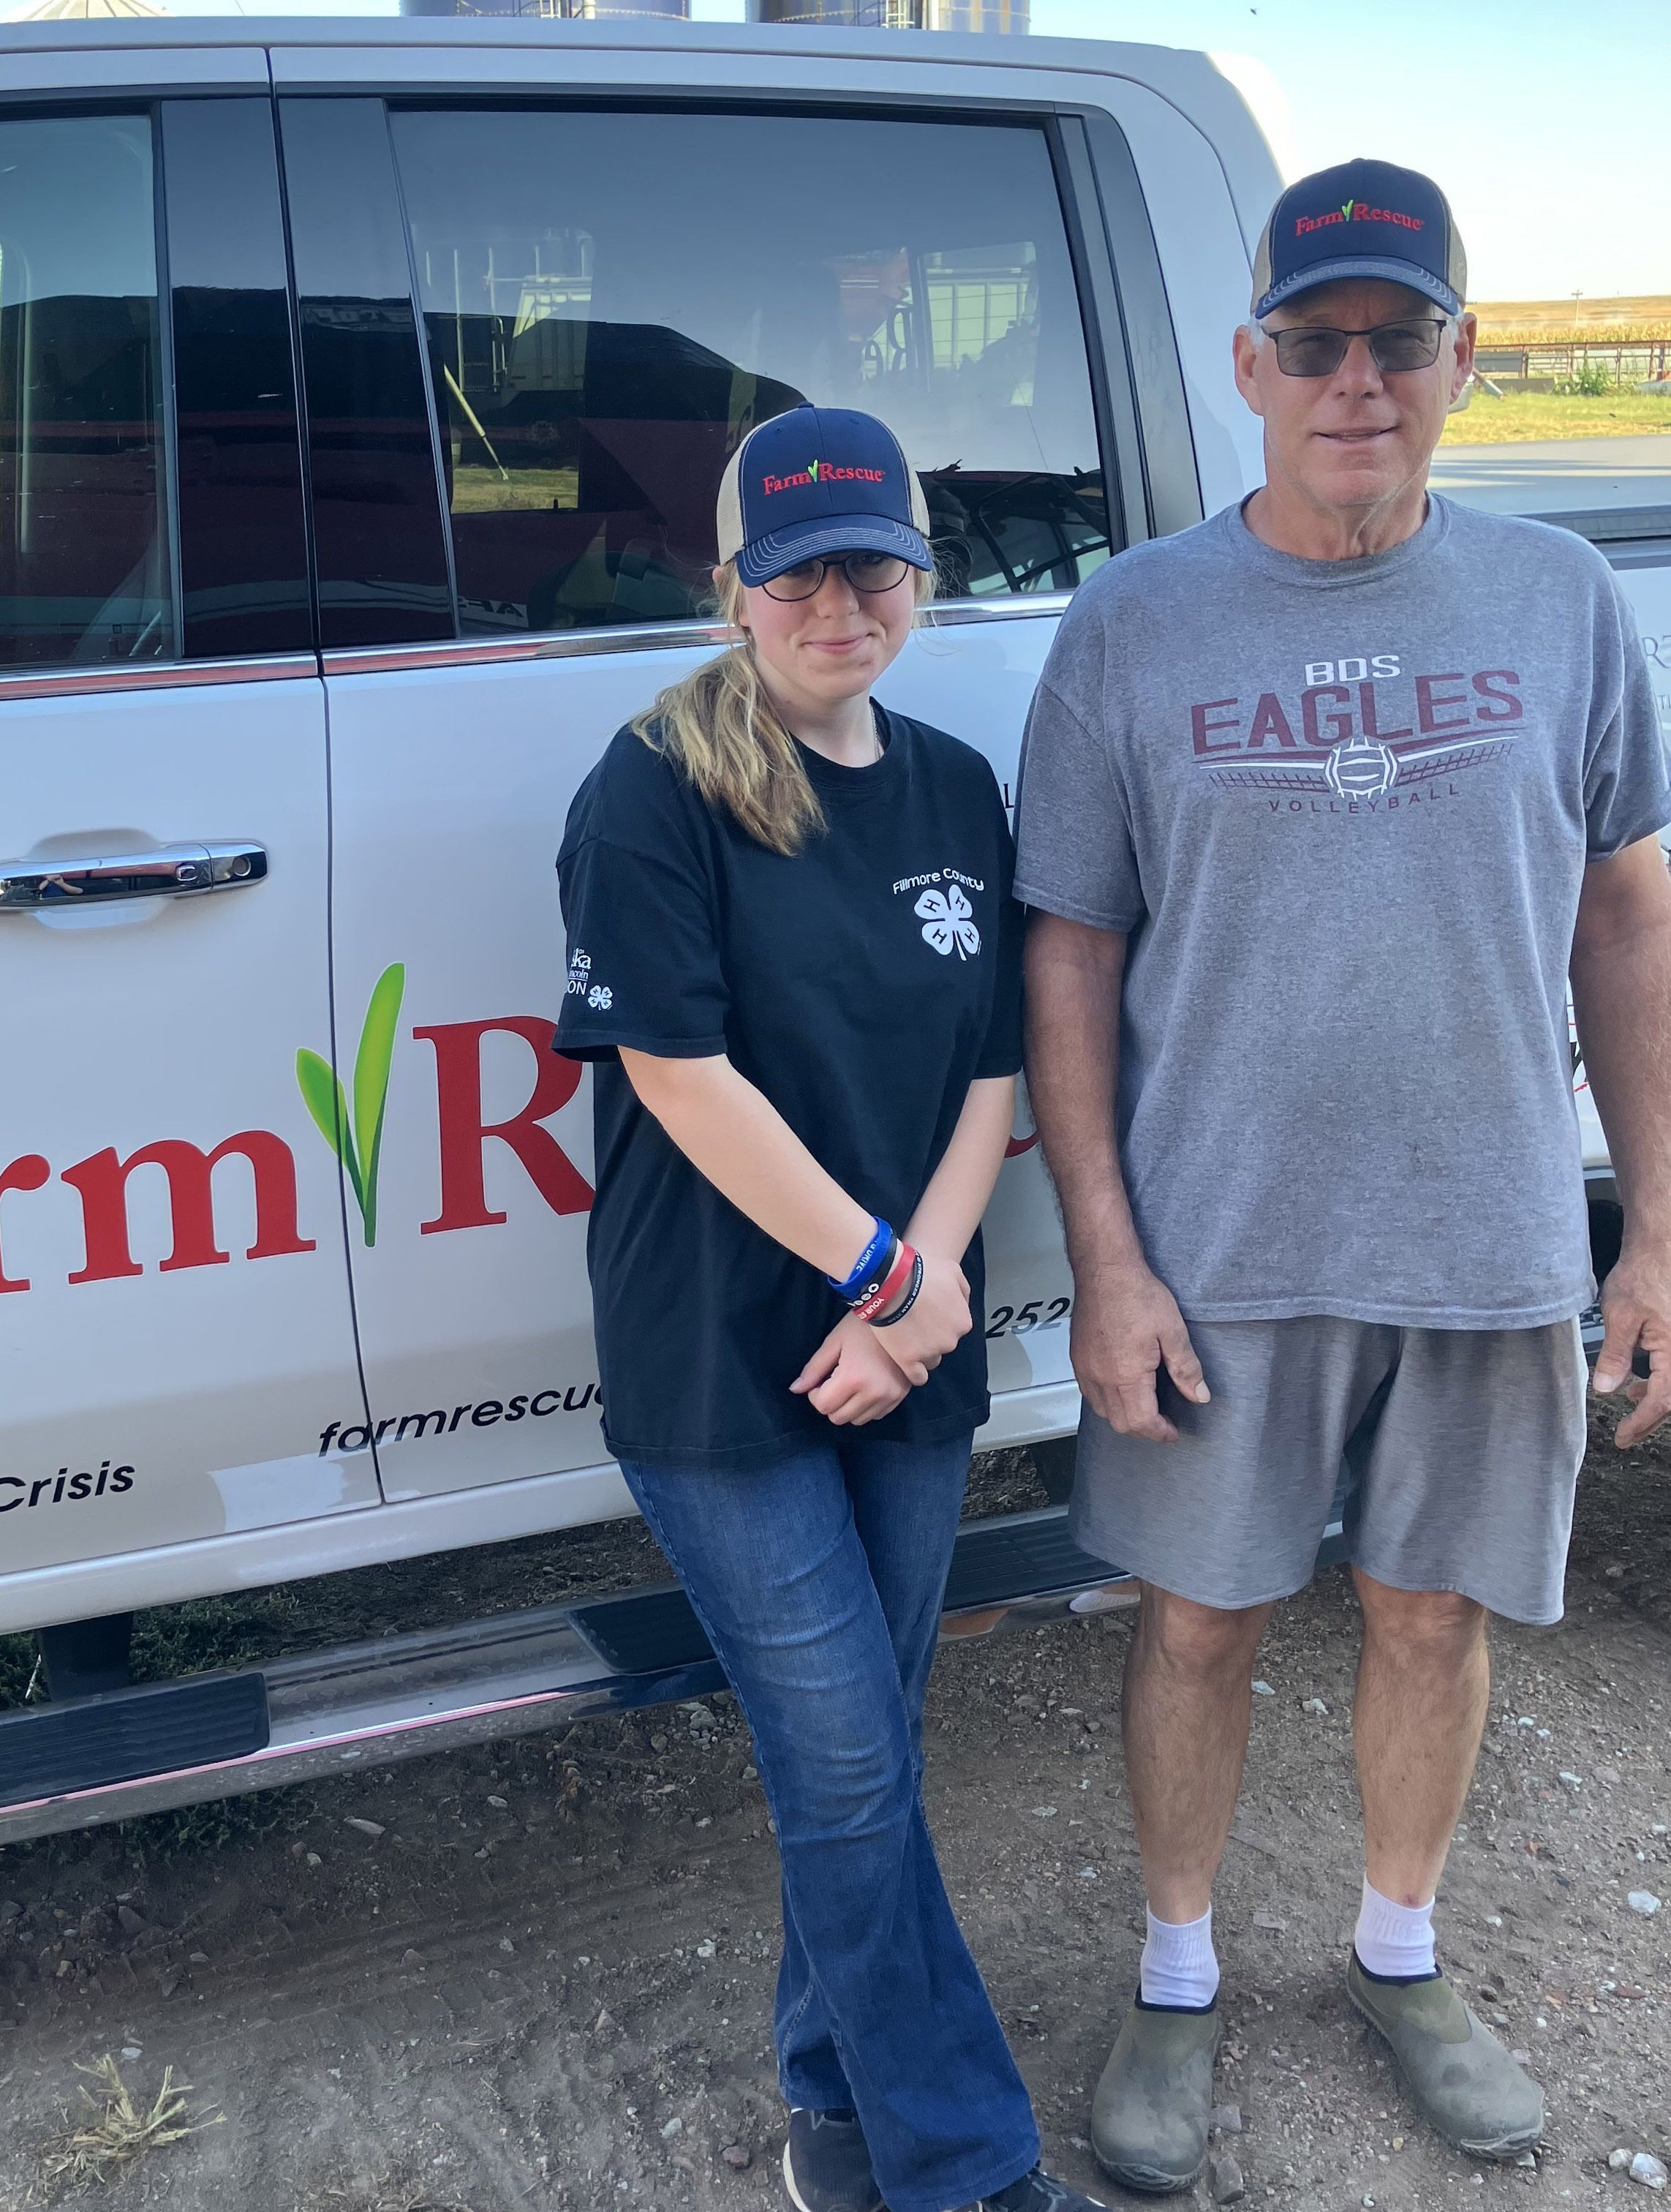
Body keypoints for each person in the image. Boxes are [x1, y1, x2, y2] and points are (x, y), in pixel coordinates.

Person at [1022, 158, 1667, 2186]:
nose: (1355, 379)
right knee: (1197, 1619)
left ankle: (1396, 1953)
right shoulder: (1128, 624)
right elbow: (1068, 953)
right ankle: (1176, 1976)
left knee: (1426, 1614)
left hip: (1478, 1233)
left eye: (1399, 339)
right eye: (1315, 343)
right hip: (1217, 1246)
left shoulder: (1560, 602)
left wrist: (1652, 1225)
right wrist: (1105, 1262)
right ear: (1248, 364)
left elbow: (1627, 925)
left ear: (1462, 361)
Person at [551, 411, 1086, 2212]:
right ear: (735, 586)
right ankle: (968, 2165)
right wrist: (881, 1277)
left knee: (863, 1741)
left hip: (908, 1338)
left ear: (920, 576)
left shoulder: (951, 784)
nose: (838, 599)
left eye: (874, 562)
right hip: (723, 1358)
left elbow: (994, 1075)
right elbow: (679, 1077)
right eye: (799, 568)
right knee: (849, 1763)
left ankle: (831, 2105)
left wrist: (923, 1290)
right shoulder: (650, 789)